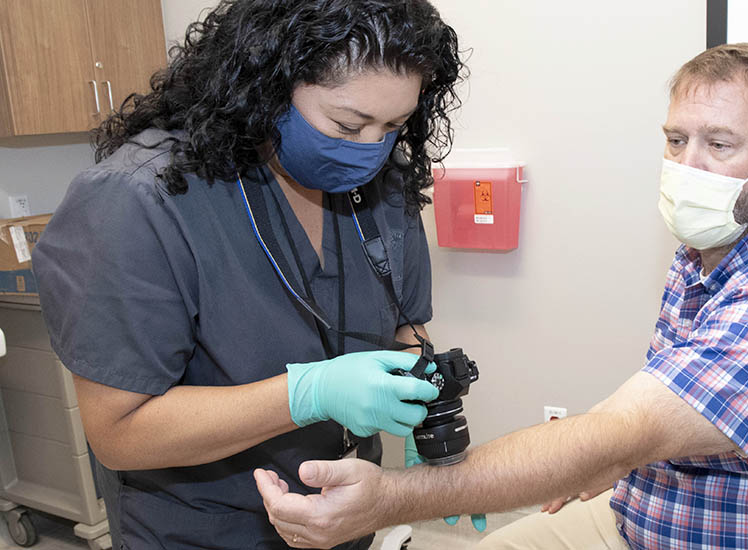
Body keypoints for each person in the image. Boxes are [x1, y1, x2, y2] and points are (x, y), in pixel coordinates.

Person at [254, 42, 748, 549]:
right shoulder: (709, 252)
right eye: (676, 140)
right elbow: (652, 422)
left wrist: (393, 497)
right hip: (646, 514)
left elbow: (621, 431)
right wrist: (603, 466)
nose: (686, 166)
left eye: (720, 145)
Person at [31, 1, 465, 548]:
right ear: (268, 84)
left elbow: (406, 329)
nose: (370, 150)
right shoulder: (139, 201)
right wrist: (309, 394)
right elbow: (119, 432)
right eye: (347, 124)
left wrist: (438, 438)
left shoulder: (384, 187)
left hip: (347, 518)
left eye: (393, 125)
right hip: (207, 529)